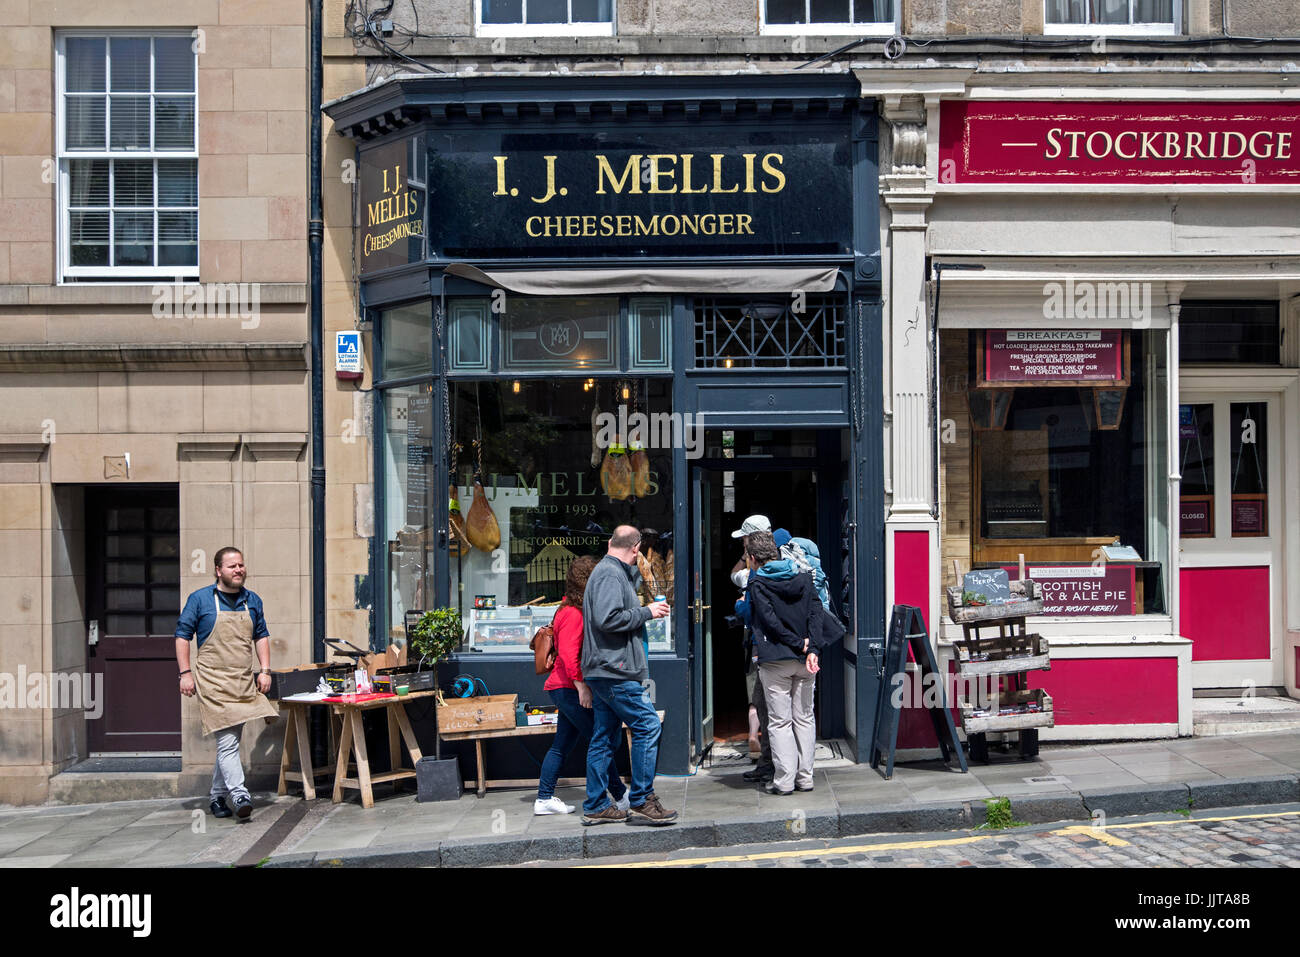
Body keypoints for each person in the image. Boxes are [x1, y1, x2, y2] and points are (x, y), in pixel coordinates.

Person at [579, 525, 676, 826]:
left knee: (604, 738)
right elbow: (608, 619)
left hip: (605, 669)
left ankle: (595, 805)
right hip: (615, 670)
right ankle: (642, 798)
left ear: (610, 542)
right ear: (636, 549)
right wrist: (647, 611)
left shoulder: (608, 570)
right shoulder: (609, 574)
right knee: (647, 725)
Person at [175, 547, 278, 821]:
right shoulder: (200, 600)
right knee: (228, 741)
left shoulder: (252, 600)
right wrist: (185, 673)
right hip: (213, 682)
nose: (238, 570)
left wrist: (264, 670)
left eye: (241, 565)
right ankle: (240, 794)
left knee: (230, 741)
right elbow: (182, 636)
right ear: (218, 570)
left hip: (242, 681)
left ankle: (217, 796)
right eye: (232, 566)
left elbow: (261, 636)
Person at [534, 556, 630, 815]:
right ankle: (619, 796)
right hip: (568, 689)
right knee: (602, 742)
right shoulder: (575, 614)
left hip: (561, 687)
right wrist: (582, 687)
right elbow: (567, 654)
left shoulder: (566, 608)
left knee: (562, 744)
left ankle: (544, 798)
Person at [744, 530, 824, 796]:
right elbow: (816, 614)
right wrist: (810, 646)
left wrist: (796, 643)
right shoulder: (803, 576)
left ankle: (784, 781)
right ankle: (806, 778)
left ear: (754, 558)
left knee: (779, 722)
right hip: (805, 660)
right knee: (804, 718)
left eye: (747, 556)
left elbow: (769, 621)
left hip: (776, 659)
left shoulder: (758, 584)